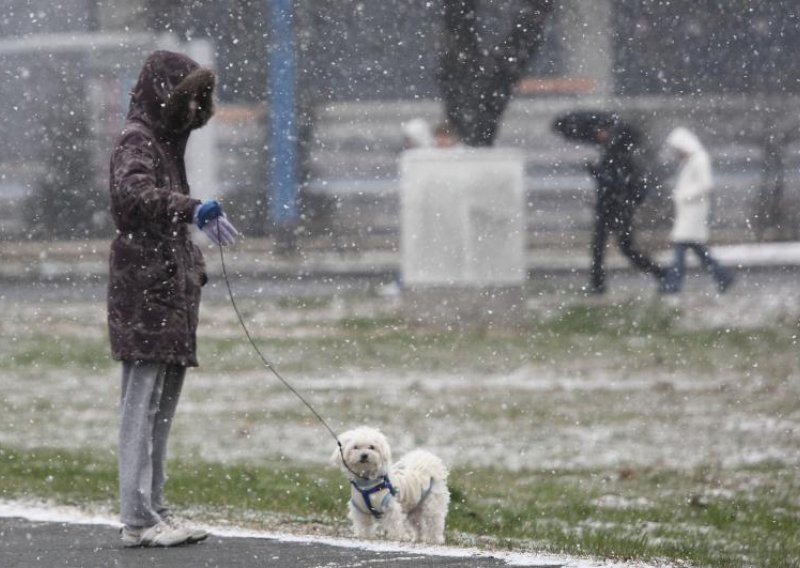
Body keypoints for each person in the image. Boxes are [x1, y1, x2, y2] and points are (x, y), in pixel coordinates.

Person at [107, 50, 238, 548]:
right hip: (144, 295)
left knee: (160, 410)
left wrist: (195, 269)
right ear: (164, 94)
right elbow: (133, 197)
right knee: (140, 409)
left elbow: (161, 216)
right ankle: (137, 518)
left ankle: (154, 508)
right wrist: (191, 209)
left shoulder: (167, 143)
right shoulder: (136, 141)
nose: (191, 111)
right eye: (186, 98)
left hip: (171, 297)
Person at [587, 121, 666, 294]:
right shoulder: (610, 152)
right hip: (608, 208)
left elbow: (617, 183)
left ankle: (660, 273)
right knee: (599, 247)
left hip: (617, 209)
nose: (598, 133)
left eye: (601, 130)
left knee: (625, 248)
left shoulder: (619, 155)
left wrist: (597, 173)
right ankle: (597, 284)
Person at [662, 127, 734, 293]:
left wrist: (684, 195)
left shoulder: (699, 159)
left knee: (681, 248)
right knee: (697, 249)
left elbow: (706, 184)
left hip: (694, 212)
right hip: (689, 212)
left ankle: (673, 285)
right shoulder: (692, 159)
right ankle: (723, 276)